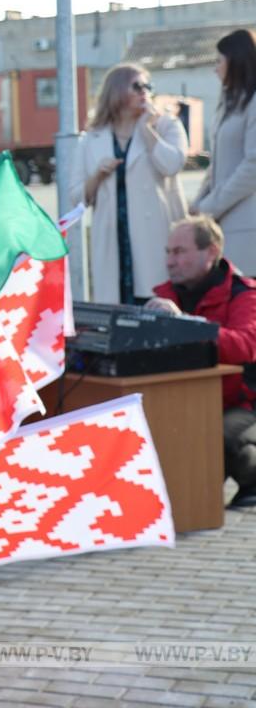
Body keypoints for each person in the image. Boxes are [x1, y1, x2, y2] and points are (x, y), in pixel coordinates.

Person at [145, 216, 256, 508]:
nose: (170, 261)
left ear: (211, 251)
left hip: (241, 404)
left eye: (180, 251)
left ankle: (250, 477)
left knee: (220, 437)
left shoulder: (244, 294)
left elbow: (245, 346)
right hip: (186, 400)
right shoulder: (164, 296)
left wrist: (185, 325)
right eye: (168, 252)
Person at [70, 63, 188, 305]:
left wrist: (147, 130)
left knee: (156, 303)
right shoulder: (91, 138)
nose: (145, 91)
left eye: (148, 86)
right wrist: (98, 175)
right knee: (118, 307)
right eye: (137, 86)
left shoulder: (165, 125)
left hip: (155, 234)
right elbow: (77, 197)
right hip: (114, 237)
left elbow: (173, 164)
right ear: (116, 90)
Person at [191, 29, 256, 275]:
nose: (215, 68)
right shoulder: (229, 103)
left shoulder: (253, 102)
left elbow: (253, 166)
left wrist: (210, 206)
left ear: (236, 60)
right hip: (223, 227)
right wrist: (198, 204)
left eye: (219, 61)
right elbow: (216, 164)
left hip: (247, 227)